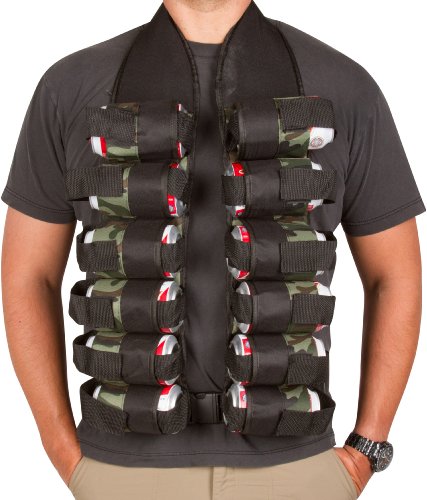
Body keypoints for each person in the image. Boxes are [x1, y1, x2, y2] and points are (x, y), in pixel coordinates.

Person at [1, 1, 424, 499]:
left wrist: (367, 449)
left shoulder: (343, 87)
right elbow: (28, 275)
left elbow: (395, 273)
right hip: (121, 472)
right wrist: (62, 450)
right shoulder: (70, 87)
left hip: (297, 471)